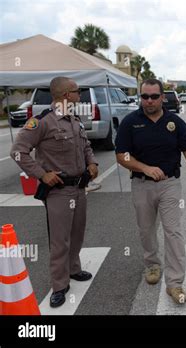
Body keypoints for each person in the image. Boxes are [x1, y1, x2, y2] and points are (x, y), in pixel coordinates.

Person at [10, 76, 99, 308]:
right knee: (60, 240)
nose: (80, 95)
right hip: (58, 191)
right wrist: (41, 174)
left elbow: (86, 146)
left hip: (80, 187)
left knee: (77, 233)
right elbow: (18, 152)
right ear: (66, 95)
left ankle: (74, 269)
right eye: (77, 91)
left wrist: (93, 163)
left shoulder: (75, 120)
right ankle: (59, 285)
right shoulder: (42, 122)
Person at [115, 78, 186, 305]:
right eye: (144, 96)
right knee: (146, 229)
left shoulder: (175, 123)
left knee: (173, 231)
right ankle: (152, 264)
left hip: (169, 185)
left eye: (154, 96)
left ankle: (174, 283)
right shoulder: (130, 122)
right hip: (141, 185)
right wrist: (144, 168)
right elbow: (122, 156)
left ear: (163, 97)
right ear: (140, 97)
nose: (149, 101)